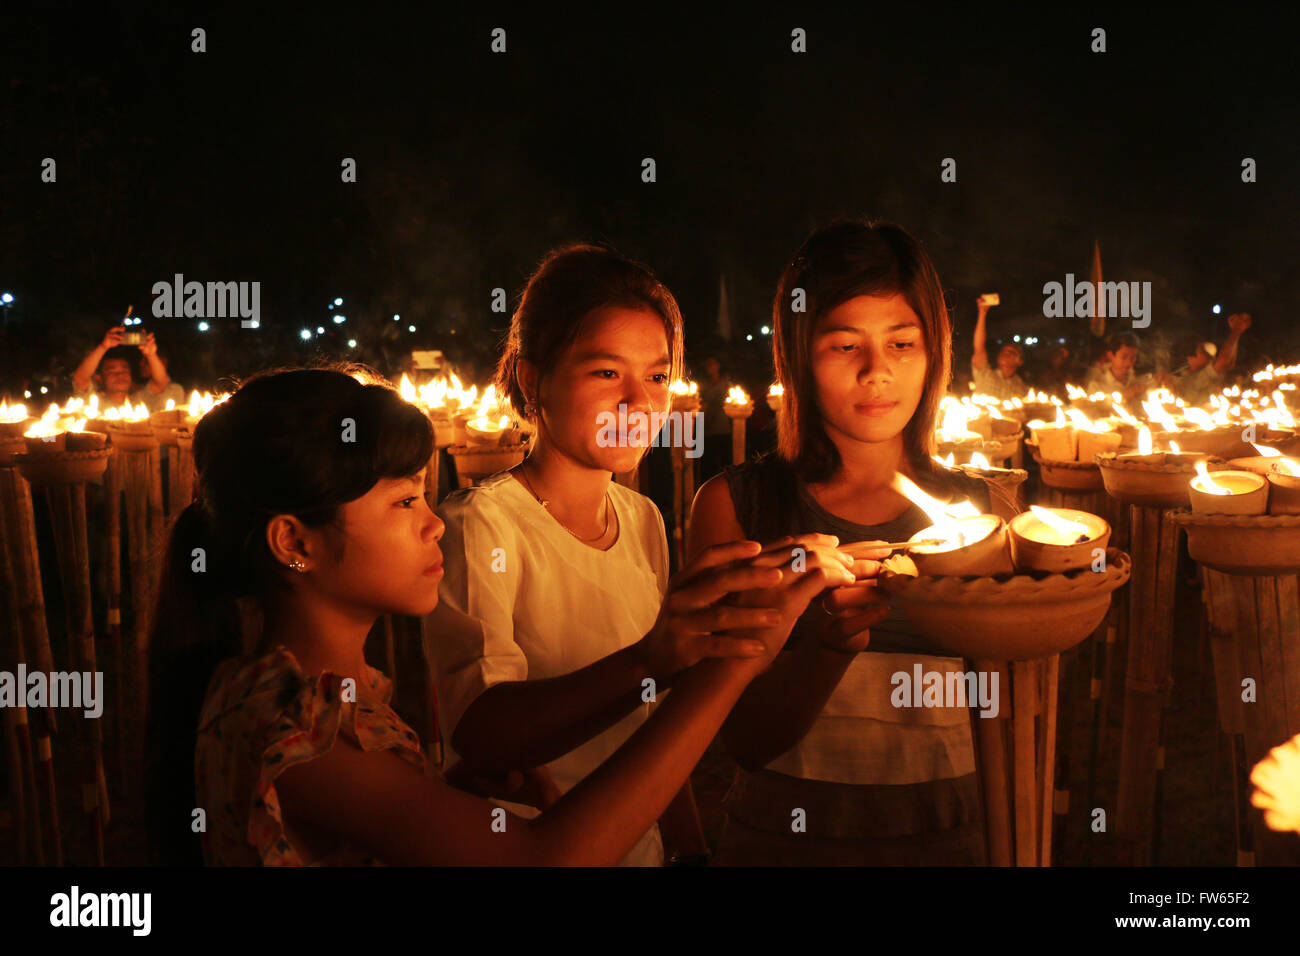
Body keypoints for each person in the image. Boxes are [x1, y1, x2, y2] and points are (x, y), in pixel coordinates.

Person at [144, 364, 839, 866]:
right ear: (296, 541)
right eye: (403, 502)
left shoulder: (332, 696)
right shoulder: (292, 729)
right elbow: (549, 861)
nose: (434, 526)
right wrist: (736, 661)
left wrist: (454, 806)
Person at [422, 244, 858, 866]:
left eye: (656, 376)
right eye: (605, 373)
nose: (640, 404)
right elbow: (482, 732)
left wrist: (687, 845)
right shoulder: (482, 525)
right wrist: (648, 658)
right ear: (531, 377)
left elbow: (651, 721)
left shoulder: (642, 517)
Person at [691, 219, 1012, 865]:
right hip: (786, 834)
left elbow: (1005, 713)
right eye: (844, 346)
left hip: (953, 830)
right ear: (799, 353)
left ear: (934, 351)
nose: (876, 372)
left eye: (902, 343)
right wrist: (825, 647)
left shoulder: (984, 512)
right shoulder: (740, 508)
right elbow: (741, 740)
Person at [72, 325, 184, 412]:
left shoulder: (140, 400)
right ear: (100, 378)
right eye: (111, 371)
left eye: (125, 370)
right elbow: (80, 379)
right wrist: (103, 347)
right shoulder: (93, 403)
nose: (120, 375)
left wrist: (151, 354)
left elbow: (161, 383)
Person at [1170, 313, 1251, 405]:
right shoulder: (1191, 380)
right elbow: (1223, 362)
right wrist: (1236, 330)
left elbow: (1229, 364)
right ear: (1190, 358)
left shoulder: (1201, 372)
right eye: (1203, 353)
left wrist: (1237, 332)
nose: (1211, 357)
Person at [970, 294, 1026, 399]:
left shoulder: (1021, 387)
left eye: (1012, 352)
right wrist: (982, 313)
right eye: (1004, 351)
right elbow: (979, 346)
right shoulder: (985, 375)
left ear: (1020, 361)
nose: (1006, 353)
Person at [1084, 331, 1150, 402]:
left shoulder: (1138, 381)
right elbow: (1092, 410)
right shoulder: (1097, 386)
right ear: (1110, 355)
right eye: (1124, 357)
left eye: (1133, 357)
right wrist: (1123, 396)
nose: (1129, 362)